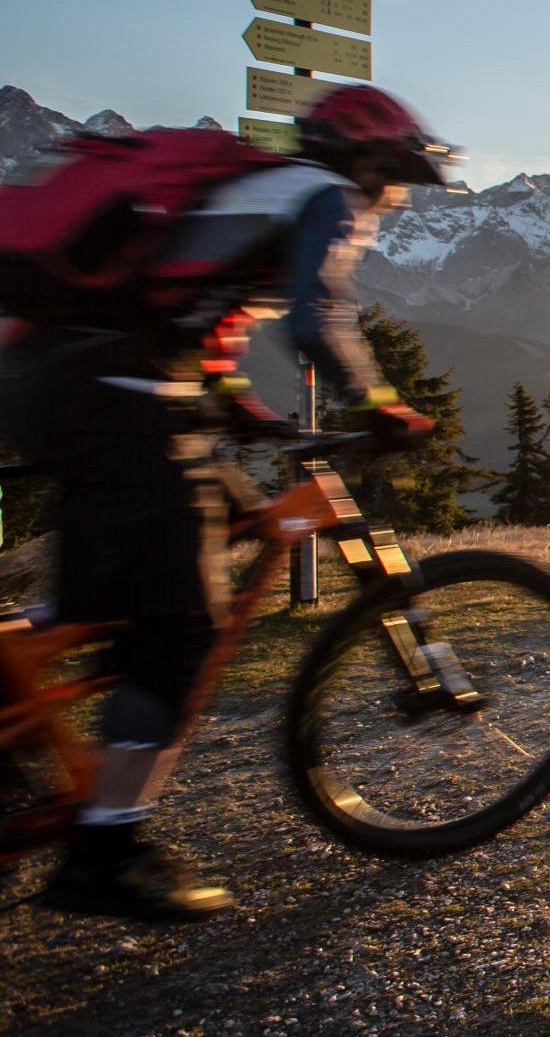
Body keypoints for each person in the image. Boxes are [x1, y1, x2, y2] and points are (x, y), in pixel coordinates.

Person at [0, 86, 447, 923]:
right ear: (370, 161)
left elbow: (194, 321)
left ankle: (23, 668)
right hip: (115, 399)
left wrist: (245, 414)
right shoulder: (321, 196)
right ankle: (108, 849)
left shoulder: (249, 190)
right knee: (176, 628)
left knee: (215, 531)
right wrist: (381, 402)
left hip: (64, 382)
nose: (394, 197)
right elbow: (317, 317)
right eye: (396, 178)